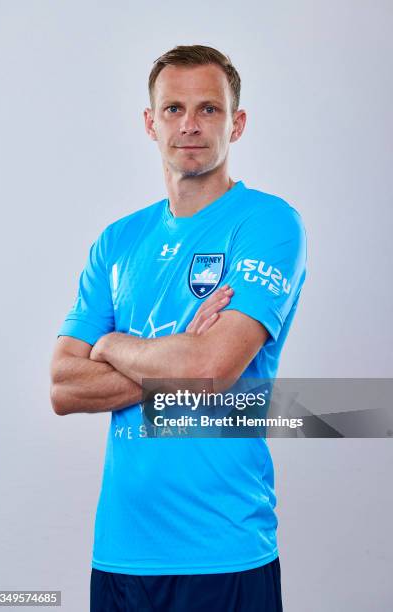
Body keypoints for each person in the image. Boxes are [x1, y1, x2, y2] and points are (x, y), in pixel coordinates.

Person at [50, 44, 307, 612]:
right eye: (173, 109)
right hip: (120, 553)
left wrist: (113, 345)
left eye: (209, 109)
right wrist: (180, 353)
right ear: (150, 122)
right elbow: (64, 388)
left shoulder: (267, 223)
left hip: (225, 550)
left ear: (236, 124)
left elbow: (211, 369)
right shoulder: (116, 242)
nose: (189, 125)